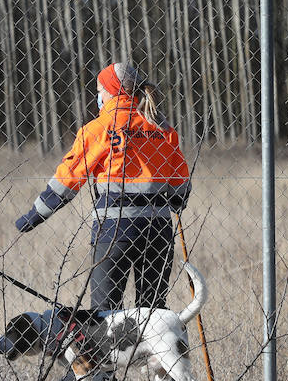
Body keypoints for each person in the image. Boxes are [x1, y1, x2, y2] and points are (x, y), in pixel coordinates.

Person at [14, 62, 191, 314]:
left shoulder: (98, 129)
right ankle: (148, 354)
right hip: (159, 232)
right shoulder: (162, 129)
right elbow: (180, 184)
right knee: (153, 314)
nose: (98, 96)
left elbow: (69, 177)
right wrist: (174, 203)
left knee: (104, 314)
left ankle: (109, 355)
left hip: (114, 232)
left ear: (111, 91)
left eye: (99, 90)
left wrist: (34, 216)